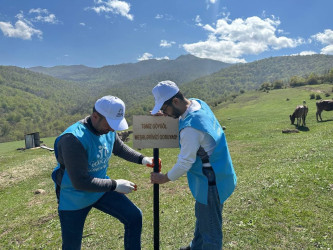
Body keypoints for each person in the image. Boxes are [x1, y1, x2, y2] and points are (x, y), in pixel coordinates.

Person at [52, 95, 159, 250]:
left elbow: (119, 148)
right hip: (74, 197)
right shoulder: (73, 139)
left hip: (101, 189)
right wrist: (115, 185)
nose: (112, 129)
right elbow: (80, 181)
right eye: (110, 124)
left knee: (134, 217)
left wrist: (143, 159)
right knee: (71, 245)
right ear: (95, 116)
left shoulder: (107, 129)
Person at [150, 81, 237, 250]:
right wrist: (167, 116)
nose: (165, 113)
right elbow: (186, 120)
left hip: (211, 182)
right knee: (204, 216)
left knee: (211, 230)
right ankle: (195, 246)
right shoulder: (198, 104)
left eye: (165, 109)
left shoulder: (190, 129)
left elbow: (185, 162)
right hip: (221, 173)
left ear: (175, 101)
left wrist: (165, 178)